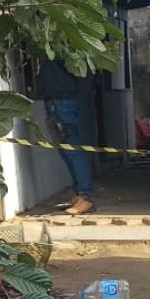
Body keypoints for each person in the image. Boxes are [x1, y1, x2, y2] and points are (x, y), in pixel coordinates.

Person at [37, 60, 96, 215]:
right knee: (64, 149)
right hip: (55, 99)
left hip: (66, 99)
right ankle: (79, 193)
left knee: (73, 148)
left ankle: (86, 196)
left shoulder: (67, 43)